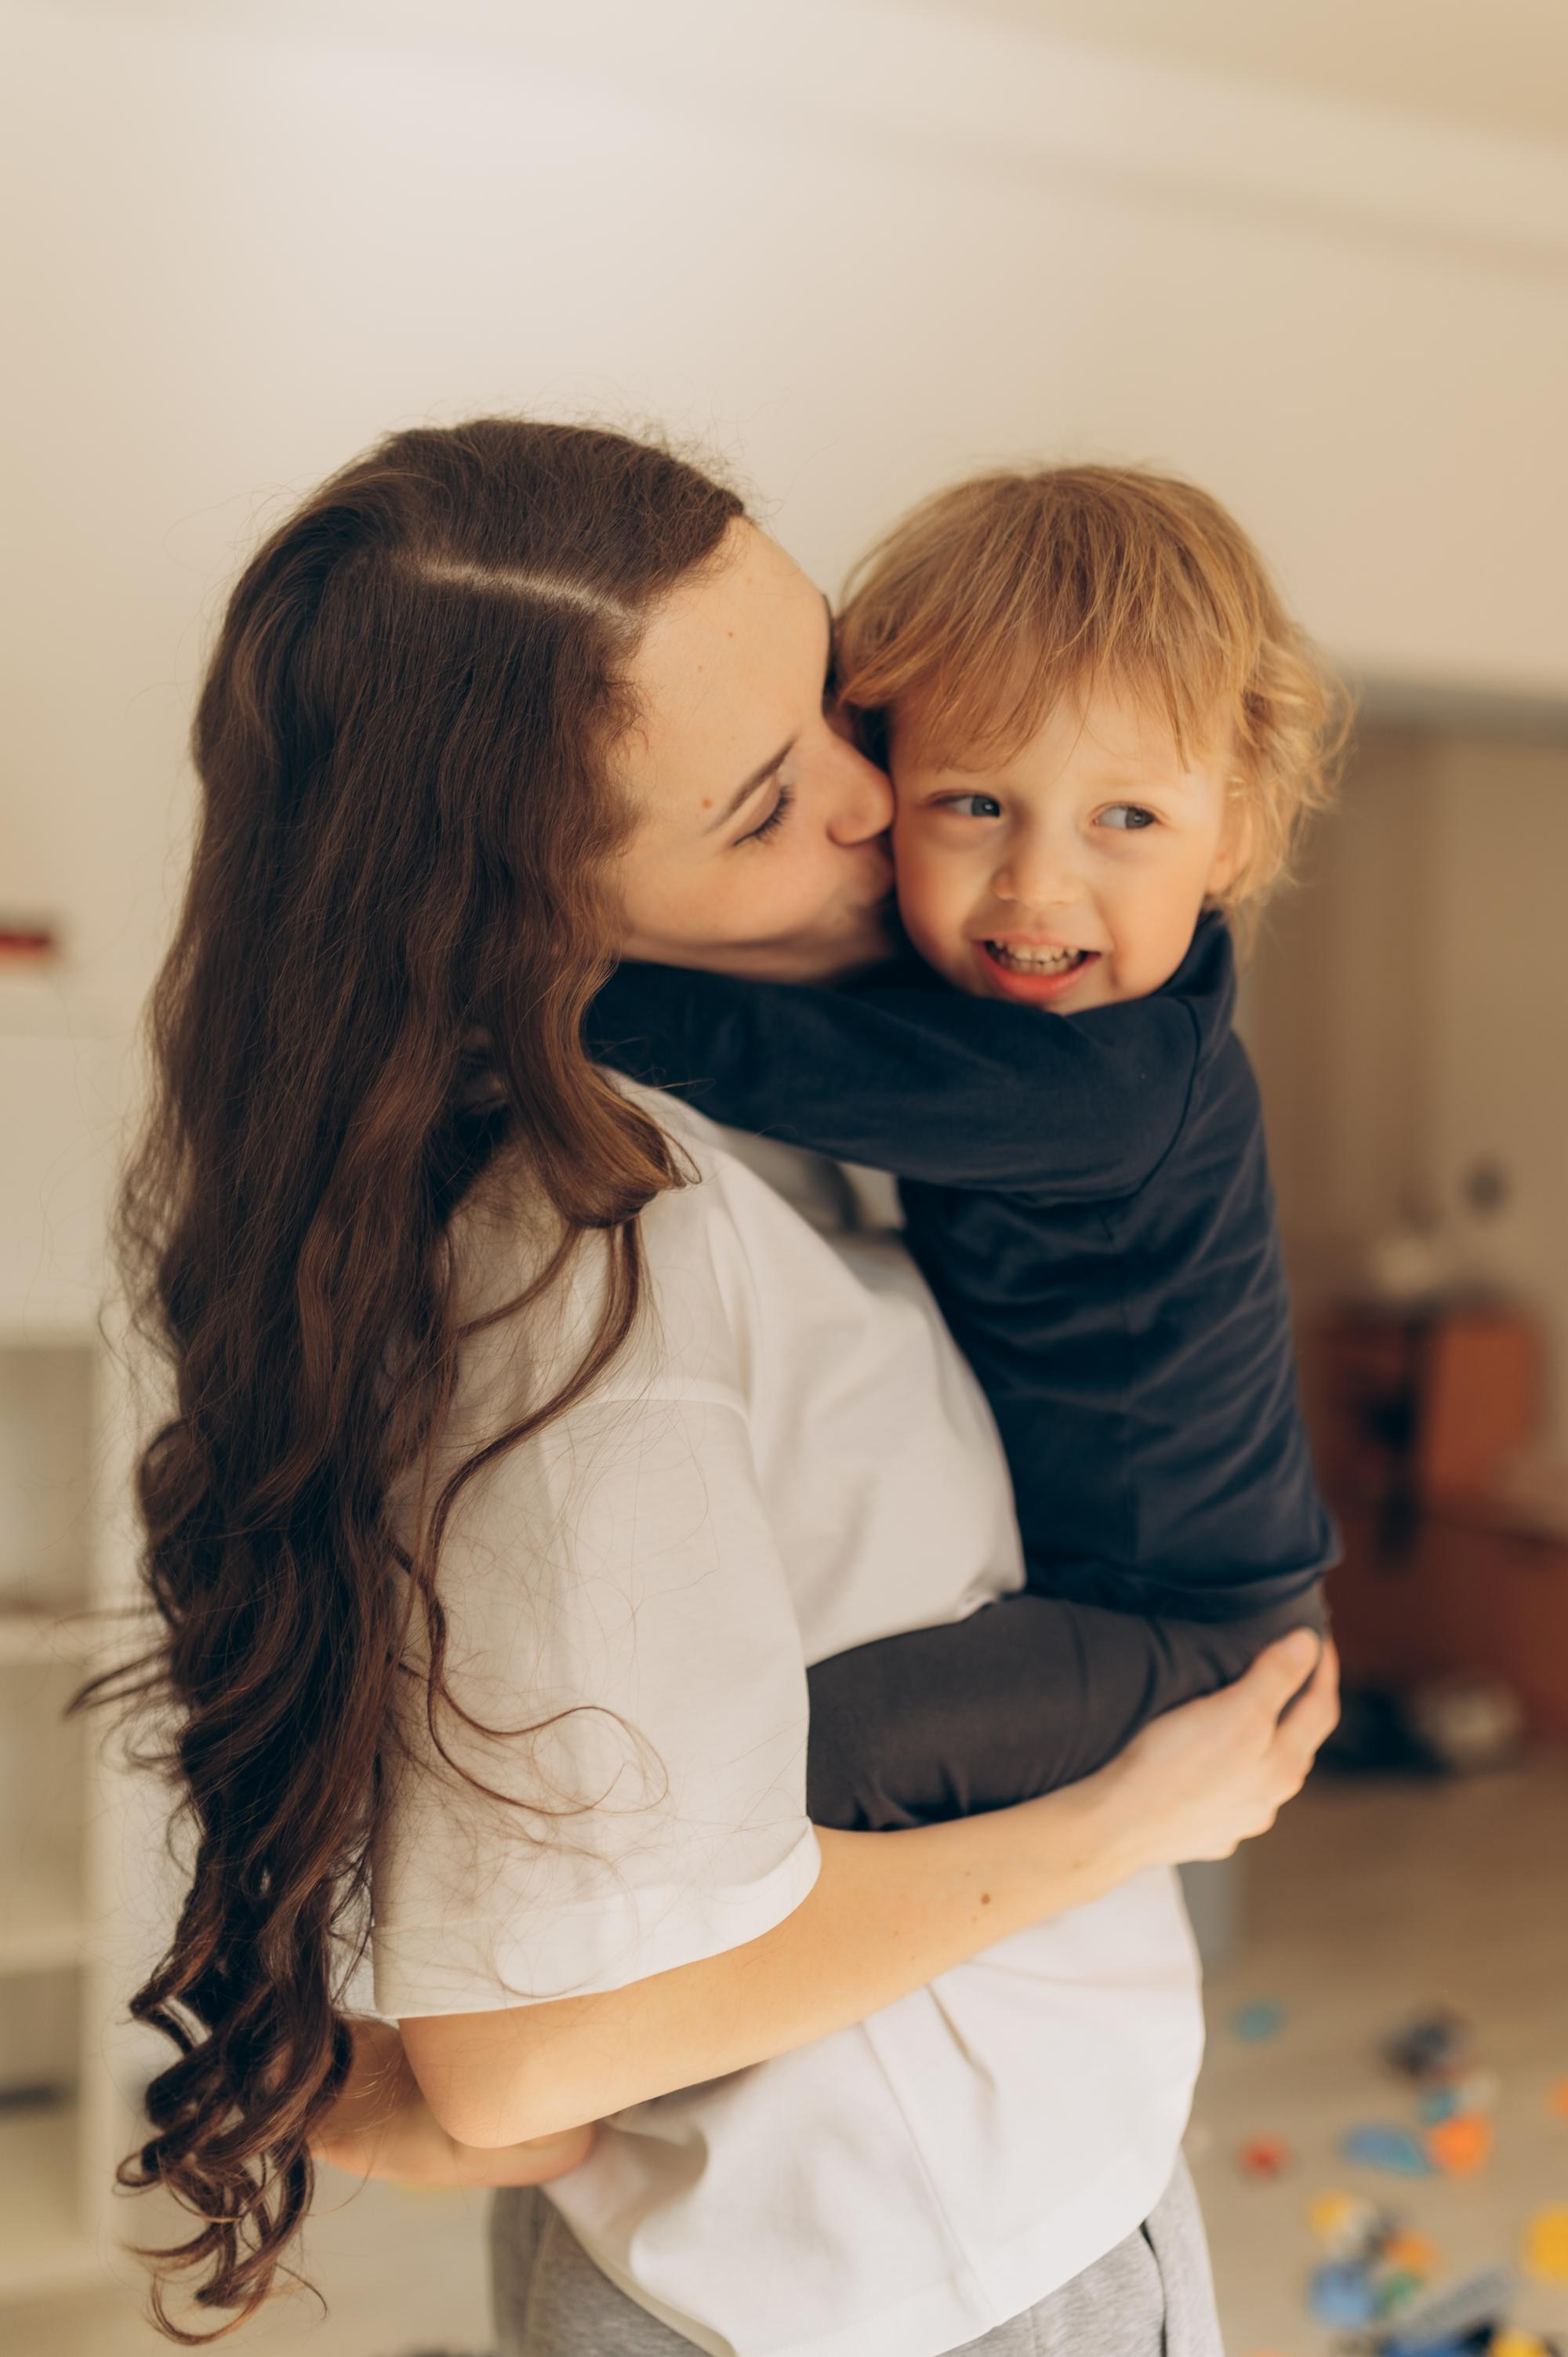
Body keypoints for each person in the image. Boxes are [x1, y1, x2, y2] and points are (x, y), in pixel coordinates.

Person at [109, 416, 1337, 2357]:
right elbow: (530, 2057)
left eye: (846, 711)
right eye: (773, 797)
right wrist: (1126, 1821)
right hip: (903, 2274)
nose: (881, 802)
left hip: (957, 2205)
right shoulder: (603, 1228)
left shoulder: (896, 1051)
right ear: (524, 920)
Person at [584, 464, 1347, 1821]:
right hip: (1105, 1578)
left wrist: (523, 966)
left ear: (1230, 833)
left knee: (816, 1757)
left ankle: (648, 2032)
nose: (1037, 884)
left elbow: (761, 1056)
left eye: (1129, 817)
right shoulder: (1035, 1009)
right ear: (884, 792)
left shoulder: (1111, 1092)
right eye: (974, 804)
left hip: (1181, 1627)